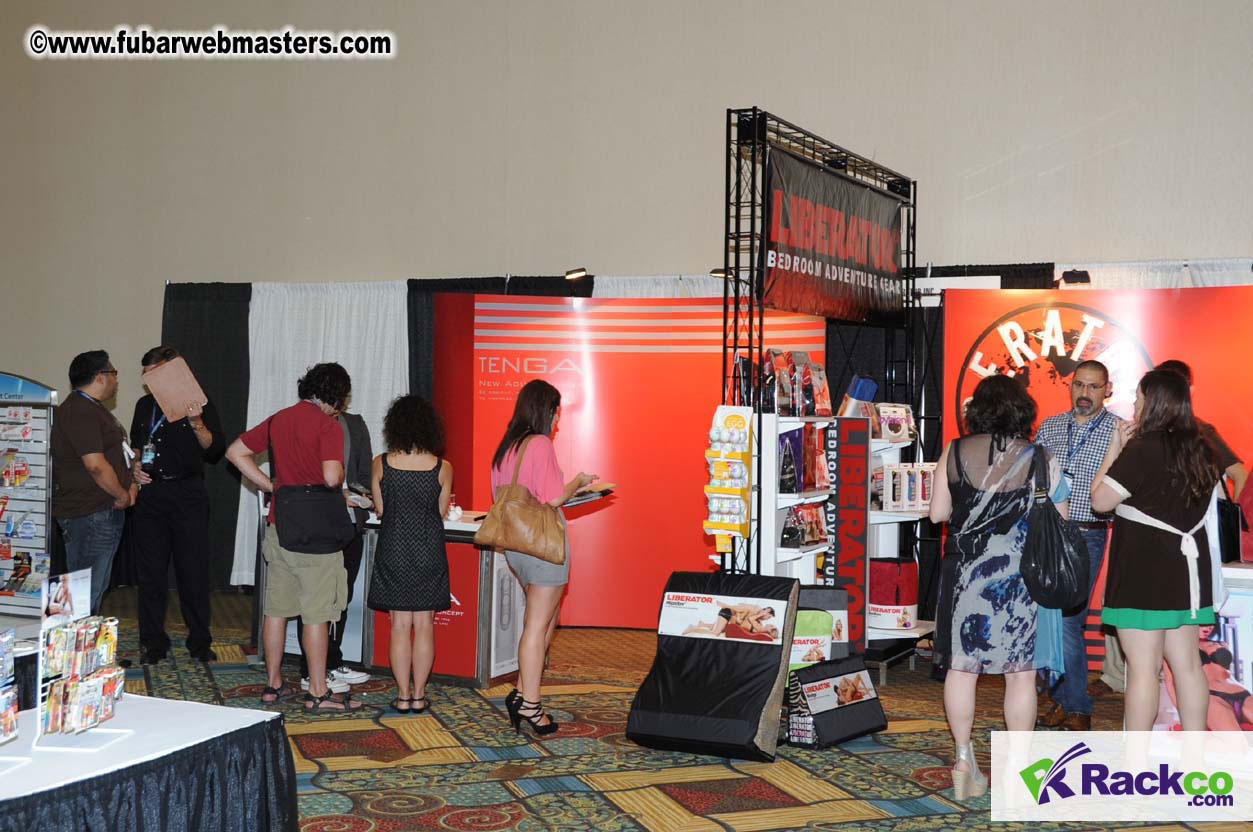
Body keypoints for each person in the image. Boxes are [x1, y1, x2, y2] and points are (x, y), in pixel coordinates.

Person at [929, 375, 1069, 800]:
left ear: (977, 411)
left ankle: (963, 761)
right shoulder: (1042, 458)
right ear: (1023, 410)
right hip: (1020, 582)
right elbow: (1060, 520)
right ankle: (1016, 770)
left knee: (961, 669)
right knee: (1021, 676)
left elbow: (937, 514)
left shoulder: (953, 452)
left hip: (965, 578)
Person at [225, 362, 362, 711]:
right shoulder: (327, 425)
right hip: (316, 532)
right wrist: (340, 472)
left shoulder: (278, 419)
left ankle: (273, 685)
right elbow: (332, 478)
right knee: (317, 612)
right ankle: (318, 692)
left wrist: (271, 485)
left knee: (276, 610)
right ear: (335, 396)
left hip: (280, 524)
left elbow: (235, 452)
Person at [1090, 369, 1220, 731]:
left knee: (1142, 671)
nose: (1135, 404)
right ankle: (1195, 755)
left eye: (1139, 397)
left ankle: (1136, 762)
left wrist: (1115, 447)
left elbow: (1100, 500)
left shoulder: (1143, 448)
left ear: (1155, 401)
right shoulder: (1201, 448)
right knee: (1188, 666)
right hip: (1187, 574)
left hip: (1142, 572)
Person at [490, 380, 597, 736]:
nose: (556, 422)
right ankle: (531, 706)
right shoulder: (539, 444)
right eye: (555, 413)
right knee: (537, 626)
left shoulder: (508, 447)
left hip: (518, 548)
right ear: (544, 410)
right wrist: (577, 482)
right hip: (542, 548)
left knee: (545, 621)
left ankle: (523, 693)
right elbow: (551, 498)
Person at [1032, 359, 1122, 730]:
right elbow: (1032, 475)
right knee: (1043, 619)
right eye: (1079, 385)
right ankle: (1063, 700)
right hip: (1046, 533)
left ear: (1108, 389)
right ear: (1070, 386)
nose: (1085, 394)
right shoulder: (1051, 426)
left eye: (1094, 387)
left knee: (1069, 620)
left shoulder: (1119, 431)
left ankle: (1078, 708)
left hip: (1088, 532)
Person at [128, 346, 225, 664]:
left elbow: (214, 449)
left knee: (192, 572)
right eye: (145, 372)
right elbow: (137, 448)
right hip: (152, 496)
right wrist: (135, 469)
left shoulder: (198, 401)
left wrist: (196, 421)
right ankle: (152, 643)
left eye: (153, 371)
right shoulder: (144, 406)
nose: (147, 378)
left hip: (188, 494)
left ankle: (199, 642)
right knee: (151, 574)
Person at [366, 395, 451, 714]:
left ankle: (402, 696)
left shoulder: (381, 463)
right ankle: (419, 695)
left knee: (399, 625)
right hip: (429, 550)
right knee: (425, 624)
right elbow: (441, 512)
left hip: (394, 549)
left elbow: (381, 509)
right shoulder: (442, 467)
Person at [296, 403, 374, 694]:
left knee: (343, 594)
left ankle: (332, 659)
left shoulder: (354, 422)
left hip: (351, 521)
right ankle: (311, 668)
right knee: (318, 598)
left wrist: (361, 493)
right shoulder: (305, 422)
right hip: (317, 522)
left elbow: (364, 469)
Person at [51, 350, 136, 614]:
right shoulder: (80, 411)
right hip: (90, 514)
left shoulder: (89, 409)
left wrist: (131, 479)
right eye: (113, 374)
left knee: (84, 593)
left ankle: (73, 652)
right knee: (81, 596)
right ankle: (66, 653)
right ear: (100, 377)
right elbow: (95, 465)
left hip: (94, 513)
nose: (116, 380)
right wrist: (121, 494)